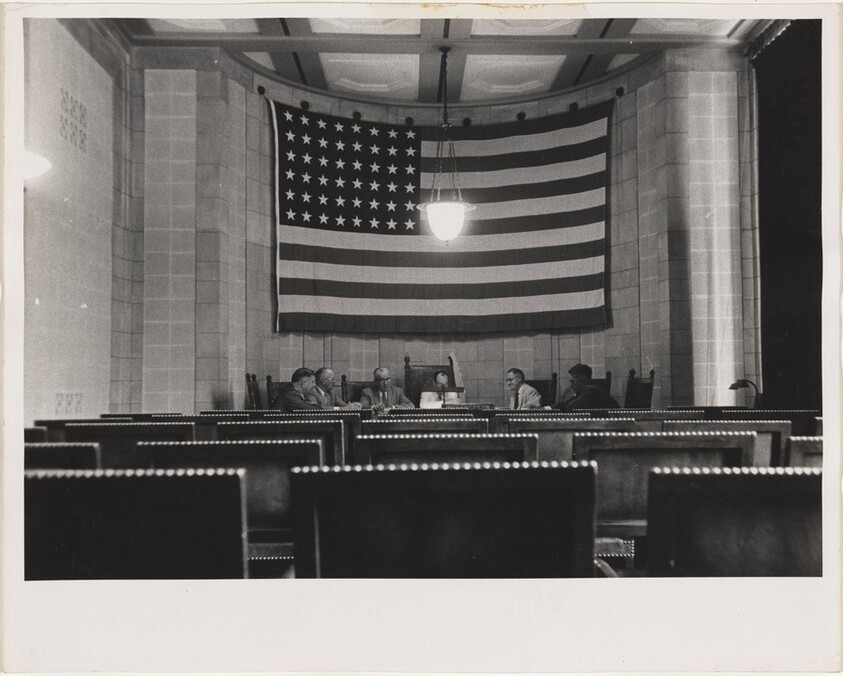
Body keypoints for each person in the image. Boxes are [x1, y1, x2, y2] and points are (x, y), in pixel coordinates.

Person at [552, 363, 619, 410]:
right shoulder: (586, 391)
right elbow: (565, 404)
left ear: (582, 379)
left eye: (573, 382)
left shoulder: (591, 390)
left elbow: (571, 407)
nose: (571, 386)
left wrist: (566, 402)